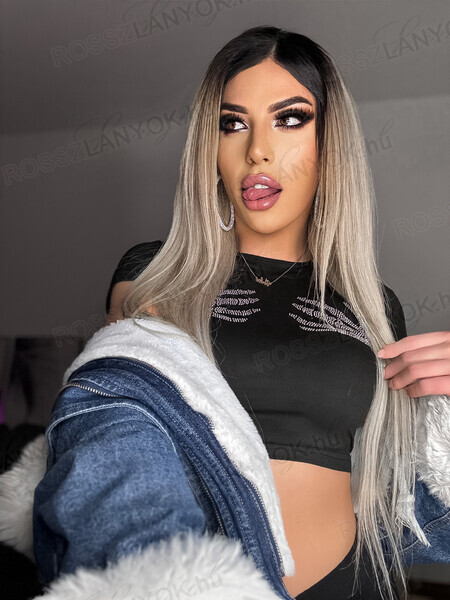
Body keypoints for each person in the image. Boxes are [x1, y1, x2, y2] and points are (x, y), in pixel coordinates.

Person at [0, 26, 449, 600]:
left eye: (290, 119)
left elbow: (407, 473)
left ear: (329, 143)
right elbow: (116, 414)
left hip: (356, 581)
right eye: (233, 124)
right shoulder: (153, 274)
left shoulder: (374, 305)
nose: (257, 149)